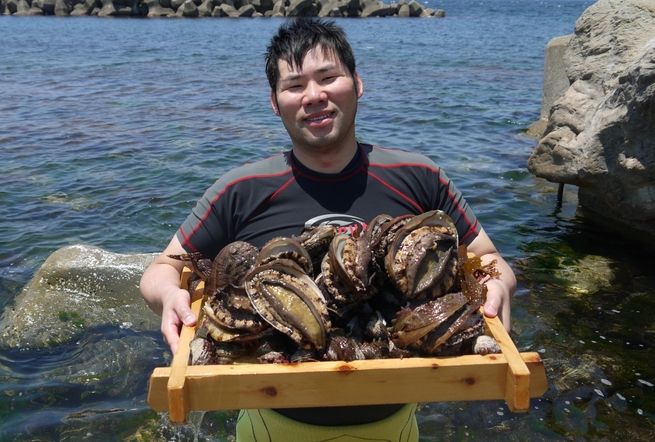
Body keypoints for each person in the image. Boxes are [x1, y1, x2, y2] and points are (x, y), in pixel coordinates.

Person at [140, 17, 516, 442]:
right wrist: (170, 297)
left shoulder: (421, 177)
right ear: (274, 101)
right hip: (271, 427)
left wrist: (499, 287)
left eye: (328, 77)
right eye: (295, 85)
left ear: (357, 83)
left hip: (395, 427)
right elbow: (161, 269)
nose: (313, 96)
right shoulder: (239, 190)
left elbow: (487, 258)